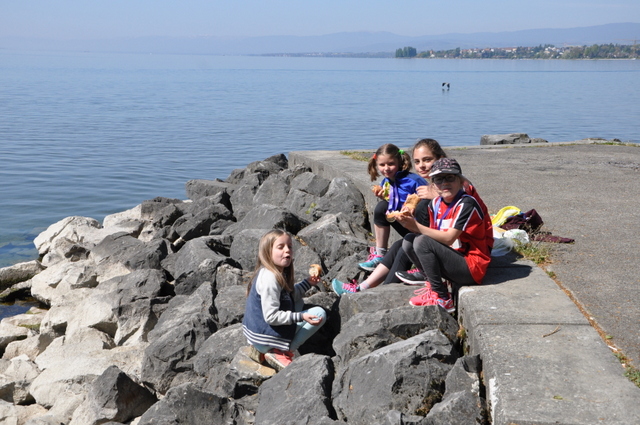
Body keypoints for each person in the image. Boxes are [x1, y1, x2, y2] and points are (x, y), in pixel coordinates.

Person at [332, 138, 446, 295]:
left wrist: (428, 199)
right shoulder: (392, 182)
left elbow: (447, 209)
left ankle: (378, 292)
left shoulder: (433, 185)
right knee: (399, 239)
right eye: (418, 161)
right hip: (424, 233)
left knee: (405, 243)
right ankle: (364, 288)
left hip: (437, 240)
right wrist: (388, 198)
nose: (421, 165)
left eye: (427, 160)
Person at [402, 158, 493, 312]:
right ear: (433, 185)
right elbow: (434, 236)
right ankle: (433, 285)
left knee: (421, 241)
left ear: (460, 181)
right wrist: (407, 220)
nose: (445, 183)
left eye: (450, 178)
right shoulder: (435, 204)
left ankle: (442, 297)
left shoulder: (466, 204)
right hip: (453, 256)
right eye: (438, 179)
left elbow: (449, 238)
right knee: (409, 240)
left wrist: (416, 226)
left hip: (471, 266)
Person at [242, 229, 326, 371]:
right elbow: (271, 316)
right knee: (319, 313)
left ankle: (262, 349)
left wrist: (308, 283)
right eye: (280, 247)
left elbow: (289, 296)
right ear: (268, 252)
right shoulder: (270, 279)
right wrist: (301, 316)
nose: (287, 250)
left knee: (298, 302)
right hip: (264, 338)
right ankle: (282, 352)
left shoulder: (273, 271)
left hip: (256, 336)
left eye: (290, 246)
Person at [357, 143, 427, 272]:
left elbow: (428, 202)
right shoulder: (386, 182)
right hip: (403, 222)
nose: (386, 168)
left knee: (382, 207)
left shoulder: (413, 181)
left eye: (391, 164)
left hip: (420, 226)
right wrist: (384, 197)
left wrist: (413, 206)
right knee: (382, 207)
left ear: (399, 162)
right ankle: (380, 253)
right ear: (376, 165)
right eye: (382, 165)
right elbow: (393, 203)